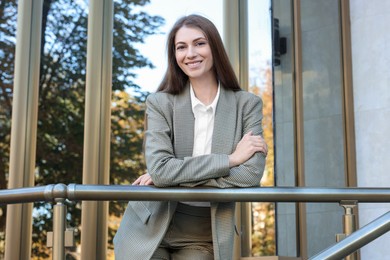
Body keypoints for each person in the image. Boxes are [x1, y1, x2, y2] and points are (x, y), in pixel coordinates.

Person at [114, 14, 267, 260]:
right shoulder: (160, 103)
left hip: (204, 232)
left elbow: (250, 176)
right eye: (181, 47)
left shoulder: (246, 105)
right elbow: (161, 170)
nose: (190, 53)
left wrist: (171, 177)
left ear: (214, 47)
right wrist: (230, 160)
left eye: (199, 43)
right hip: (149, 224)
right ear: (174, 56)